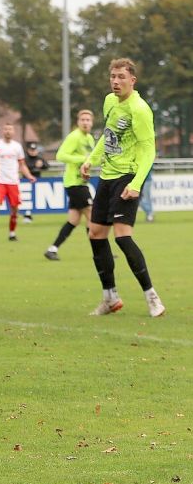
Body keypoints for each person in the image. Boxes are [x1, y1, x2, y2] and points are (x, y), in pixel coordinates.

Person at [80, 58, 164, 317]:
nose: (116, 81)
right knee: (95, 233)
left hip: (128, 176)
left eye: (121, 77)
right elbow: (108, 136)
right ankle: (110, 298)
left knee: (122, 236)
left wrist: (137, 183)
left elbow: (149, 150)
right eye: (113, 77)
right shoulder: (109, 101)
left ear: (132, 80)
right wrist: (90, 160)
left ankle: (152, 297)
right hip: (107, 177)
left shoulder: (139, 109)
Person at [45, 110, 96, 261]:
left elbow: (90, 159)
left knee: (73, 220)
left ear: (92, 123)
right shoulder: (74, 136)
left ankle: (52, 249)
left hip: (81, 182)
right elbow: (60, 155)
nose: (86, 122)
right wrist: (83, 158)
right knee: (92, 215)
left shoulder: (90, 138)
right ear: (78, 122)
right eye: (83, 120)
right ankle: (100, 252)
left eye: (88, 120)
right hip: (74, 183)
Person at [0, 123, 36, 242]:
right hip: (0, 181)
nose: (8, 131)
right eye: (5, 129)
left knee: (15, 209)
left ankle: (12, 234)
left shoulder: (17, 146)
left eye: (10, 129)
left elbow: (22, 165)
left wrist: (29, 176)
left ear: (13, 131)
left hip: (13, 182)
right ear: (2, 131)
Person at [21, 142, 49, 222]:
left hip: (38, 182)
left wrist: (42, 165)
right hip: (26, 182)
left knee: (36, 200)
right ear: (28, 150)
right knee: (26, 199)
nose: (33, 151)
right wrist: (35, 166)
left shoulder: (39, 157)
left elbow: (47, 166)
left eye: (34, 150)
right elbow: (23, 167)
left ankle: (30, 214)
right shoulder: (25, 158)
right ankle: (27, 215)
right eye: (31, 150)